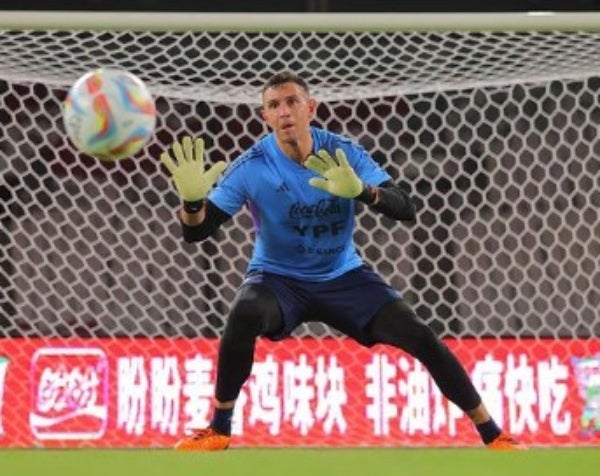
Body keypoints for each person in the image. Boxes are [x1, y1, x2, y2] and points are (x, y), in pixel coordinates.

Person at [160, 71, 526, 451]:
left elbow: (405, 208)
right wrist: (191, 203)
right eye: (273, 106)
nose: (284, 111)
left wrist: (363, 192)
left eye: (292, 102)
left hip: (344, 275)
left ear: (310, 108)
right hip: (278, 279)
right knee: (244, 311)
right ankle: (219, 429)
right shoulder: (251, 166)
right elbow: (197, 232)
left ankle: (493, 434)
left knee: (421, 335)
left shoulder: (343, 152)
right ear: (265, 117)